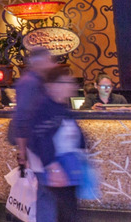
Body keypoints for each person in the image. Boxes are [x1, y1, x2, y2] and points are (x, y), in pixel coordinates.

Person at [29, 66, 86, 222]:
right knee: (58, 211)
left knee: (64, 211)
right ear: (53, 86)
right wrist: (52, 166)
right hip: (55, 168)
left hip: (67, 167)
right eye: (66, 82)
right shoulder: (45, 108)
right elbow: (40, 138)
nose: (72, 86)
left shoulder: (62, 107)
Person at [12, 47, 56, 167]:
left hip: (41, 143)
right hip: (35, 145)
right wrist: (22, 151)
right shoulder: (29, 83)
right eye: (48, 60)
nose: (51, 64)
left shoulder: (39, 81)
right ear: (38, 62)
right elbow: (22, 117)